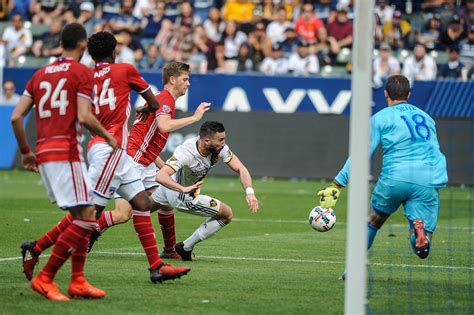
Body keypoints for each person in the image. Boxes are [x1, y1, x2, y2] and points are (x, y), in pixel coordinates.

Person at [20, 32, 191, 285]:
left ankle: (156, 266)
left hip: (112, 151)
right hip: (109, 148)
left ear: (90, 54)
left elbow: (79, 114)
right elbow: (153, 102)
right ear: (114, 52)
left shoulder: (85, 77)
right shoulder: (125, 70)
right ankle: (38, 252)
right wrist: (147, 107)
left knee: (142, 204)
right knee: (87, 215)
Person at [11, 23, 117, 301]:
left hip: (44, 154)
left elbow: (15, 117)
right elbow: (83, 116)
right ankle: (46, 278)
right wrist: (108, 135)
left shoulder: (39, 74)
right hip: (67, 154)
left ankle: (78, 281)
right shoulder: (82, 72)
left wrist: (24, 151)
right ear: (82, 45)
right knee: (86, 219)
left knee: (81, 216)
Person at [317, 75, 448, 279]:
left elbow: (361, 153)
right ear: (409, 95)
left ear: (386, 93)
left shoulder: (380, 118)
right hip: (429, 178)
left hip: (396, 177)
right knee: (422, 246)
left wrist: (337, 184)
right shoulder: (427, 118)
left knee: (373, 221)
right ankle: (420, 234)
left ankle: (352, 272)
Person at [90, 61, 211, 259]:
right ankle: (89, 228)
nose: (188, 83)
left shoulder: (163, 101)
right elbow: (163, 126)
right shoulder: (164, 100)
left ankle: (170, 250)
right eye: (185, 79)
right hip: (131, 162)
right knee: (122, 215)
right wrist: (194, 118)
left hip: (143, 162)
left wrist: (166, 169)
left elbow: (148, 140)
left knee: (166, 201)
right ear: (172, 80)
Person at [150, 121, 260, 261]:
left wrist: (250, 193)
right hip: (183, 196)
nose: (223, 143)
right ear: (207, 141)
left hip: (167, 189)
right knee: (227, 215)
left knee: (132, 212)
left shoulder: (219, 149)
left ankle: (113, 220)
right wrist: (183, 189)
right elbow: (160, 176)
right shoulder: (187, 153)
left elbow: (241, 168)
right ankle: (185, 248)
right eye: (220, 140)